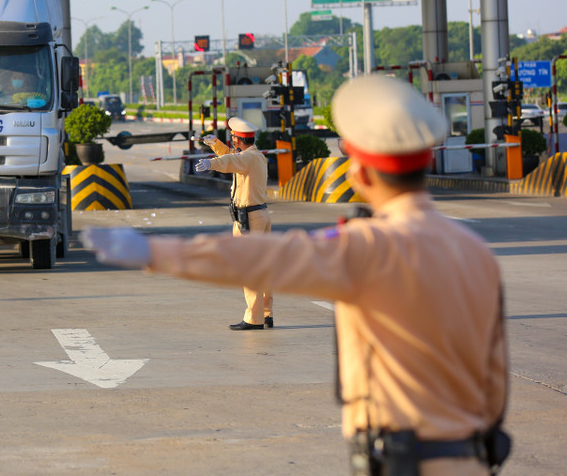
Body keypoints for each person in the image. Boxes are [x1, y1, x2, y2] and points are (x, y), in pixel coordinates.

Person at [84, 75, 510, 476]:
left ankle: (257, 314)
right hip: (471, 458)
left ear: (359, 172)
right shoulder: (477, 253)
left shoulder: (365, 247)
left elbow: (259, 258)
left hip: (404, 460)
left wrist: (155, 252)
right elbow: (495, 380)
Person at [194, 117, 273, 331]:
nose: (232, 141)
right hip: (260, 215)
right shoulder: (255, 156)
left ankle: (254, 318)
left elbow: (230, 161)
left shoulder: (247, 158)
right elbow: (232, 157)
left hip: (250, 220)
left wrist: (211, 163)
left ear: (237, 139)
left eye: (233, 138)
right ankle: (266, 313)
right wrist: (215, 144)